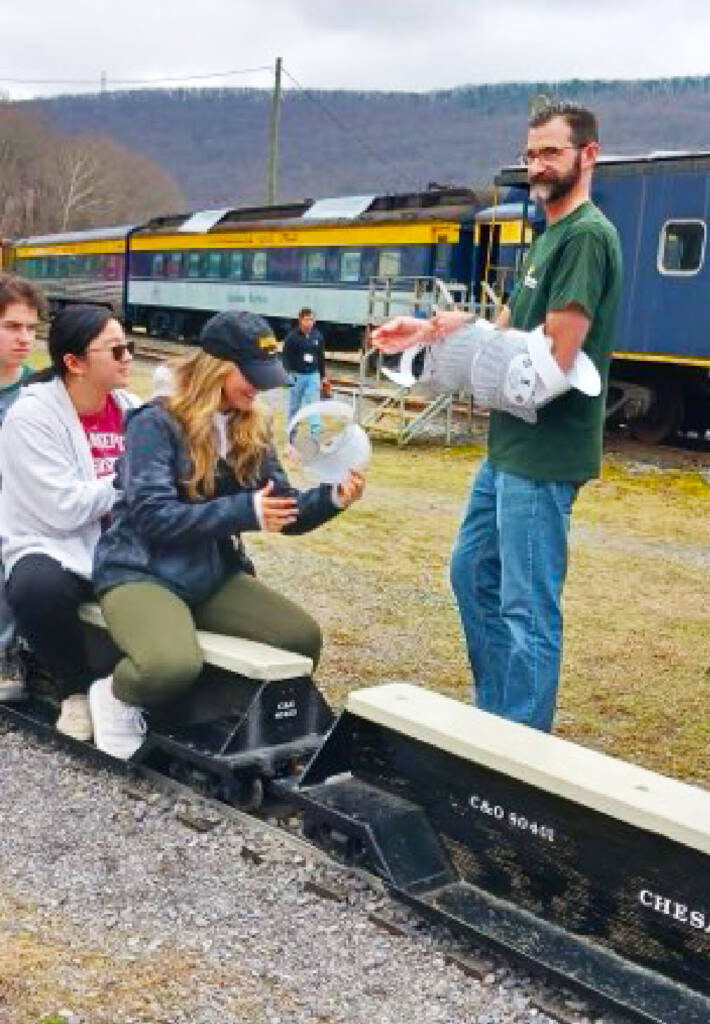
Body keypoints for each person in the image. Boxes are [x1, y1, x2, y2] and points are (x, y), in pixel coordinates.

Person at [372, 102, 622, 733]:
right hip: (509, 448)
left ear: (588, 155)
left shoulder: (586, 237)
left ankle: (520, 747)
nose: (537, 165)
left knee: (526, 606)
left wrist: (482, 350)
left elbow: (553, 361)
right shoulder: (548, 236)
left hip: (544, 454)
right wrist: (431, 331)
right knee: (471, 573)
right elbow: (507, 329)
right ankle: (498, 719)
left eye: (551, 152)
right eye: (531, 154)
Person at [90, 310, 365, 759]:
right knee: (168, 665)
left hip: (209, 572)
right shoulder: (154, 422)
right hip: (140, 570)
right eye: (250, 375)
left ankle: (216, 709)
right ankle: (116, 694)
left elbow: (283, 508)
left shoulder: (249, 423)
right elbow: (152, 516)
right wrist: (245, 510)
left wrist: (333, 497)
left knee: (299, 639)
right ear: (216, 366)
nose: (258, 387)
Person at [0, 305, 137, 737]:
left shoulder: (131, 408)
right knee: (37, 588)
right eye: (116, 350)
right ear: (75, 363)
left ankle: (139, 687)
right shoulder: (30, 416)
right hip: (50, 541)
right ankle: (74, 690)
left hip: (118, 543)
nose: (128, 358)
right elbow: (62, 509)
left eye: (129, 347)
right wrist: (128, 481)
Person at [0, 275, 47, 701]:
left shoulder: (41, 390)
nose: (24, 338)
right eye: (12, 327)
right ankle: (4, 651)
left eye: (31, 328)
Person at [282, 308, 330, 446]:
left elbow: (320, 357)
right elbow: (285, 357)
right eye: (307, 319)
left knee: (312, 403)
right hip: (297, 375)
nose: (310, 322)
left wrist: (323, 376)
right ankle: (291, 433)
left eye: (312, 320)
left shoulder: (317, 336)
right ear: (301, 320)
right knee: (294, 406)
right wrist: (288, 373)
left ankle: (316, 433)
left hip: (312, 375)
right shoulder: (292, 337)